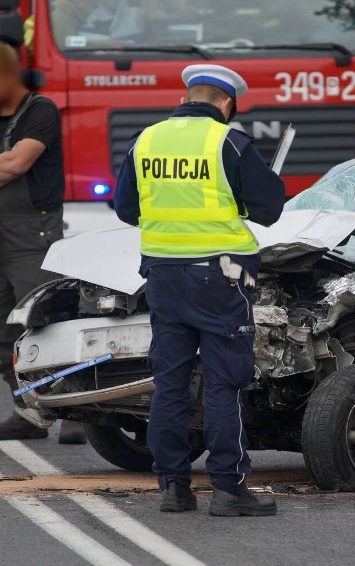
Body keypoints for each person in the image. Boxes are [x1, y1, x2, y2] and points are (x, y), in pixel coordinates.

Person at [114, 64, 285, 517]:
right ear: (227, 103)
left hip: (163, 278)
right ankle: (229, 490)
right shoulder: (228, 141)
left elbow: (126, 209)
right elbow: (270, 209)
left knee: (169, 383)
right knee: (223, 383)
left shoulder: (145, 140)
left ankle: (173, 488)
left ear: (188, 95)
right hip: (221, 277)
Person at [0, 43, 85, 444]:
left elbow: (18, 163)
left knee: (45, 324)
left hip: (34, 234)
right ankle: (28, 410)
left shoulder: (39, 112)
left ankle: (77, 412)